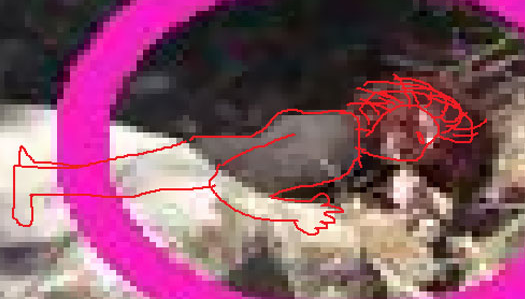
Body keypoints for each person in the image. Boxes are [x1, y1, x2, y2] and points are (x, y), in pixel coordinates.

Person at [12, 74, 486, 236]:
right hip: (202, 170)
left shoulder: (351, 145)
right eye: (409, 123)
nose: (406, 140)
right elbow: (261, 178)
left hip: (193, 165)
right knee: (145, 171)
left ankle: (42, 173)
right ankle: (40, 174)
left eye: (424, 143)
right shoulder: (338, 142)